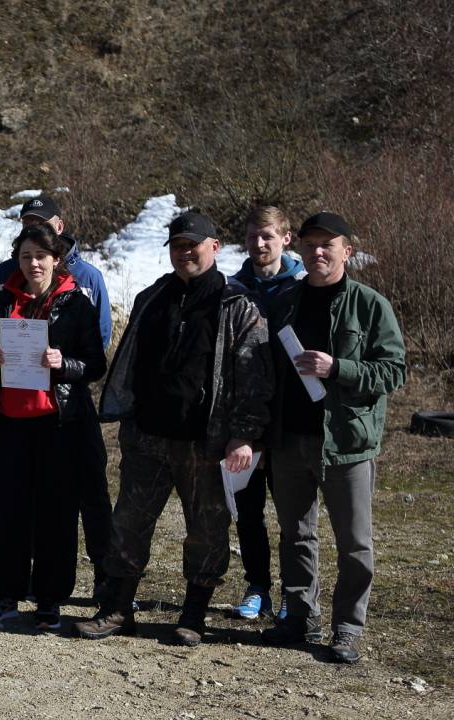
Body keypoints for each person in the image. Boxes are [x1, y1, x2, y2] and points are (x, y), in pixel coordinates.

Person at [76, 210, 272, 647]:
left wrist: (244, 433)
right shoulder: (152, 297)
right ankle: (117, 609)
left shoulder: (238, 305)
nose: (184, 252)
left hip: (207, 443)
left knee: (207, 531)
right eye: (177, 246)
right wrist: (127, 418)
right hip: (147, 437)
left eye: (192, 245)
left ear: (214, 247)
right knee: (128, 524)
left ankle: (194, 615)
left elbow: (255, 377)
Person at [260, 212, 406, 664]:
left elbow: (393, 371)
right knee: (295, 535)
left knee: (355, 543)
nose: (318, 252)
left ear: (347, 250)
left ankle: (348, 628)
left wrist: (337, 368)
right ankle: (300, 616)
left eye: (328, 244)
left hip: (346, 442)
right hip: (289, 440)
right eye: (310, 245)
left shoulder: (370, 305)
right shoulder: (284, 301)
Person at [0, 224, 106, 629]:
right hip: (11, 421)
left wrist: (63, 364)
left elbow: (95, 364)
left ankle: (50, 598)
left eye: (41, 256)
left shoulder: (77, 302)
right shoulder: (3, 299)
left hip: (57, 423)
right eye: (26, 256)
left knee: (56, 512)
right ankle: (4, 592)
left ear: (56, 260)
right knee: (7, 509)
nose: (33, 264)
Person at [228, 205, 306, 620]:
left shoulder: (303, 286)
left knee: (294, 515)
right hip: (245, 419)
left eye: (268, 237)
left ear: (285, 239)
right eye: (252, 236)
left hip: (291, 420)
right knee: (248, 510)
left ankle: (296, 592)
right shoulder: (233, 289)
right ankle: (258, 586)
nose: (259, 244)